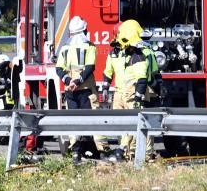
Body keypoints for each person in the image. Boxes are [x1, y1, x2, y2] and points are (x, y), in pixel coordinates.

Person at [55, 16, 105, 163]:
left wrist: (68, 81)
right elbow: (90, 67)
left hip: (70, 91)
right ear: (84, 30)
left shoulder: (64, 48)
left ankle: (76, 151)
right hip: (86, 90)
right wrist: (78, 81)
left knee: (74, 121)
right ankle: (100, 151)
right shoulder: (89, 46)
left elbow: (59, 69)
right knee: (93, 120)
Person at [107, 19, 151, 163]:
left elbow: (143, 77)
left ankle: (132, 153)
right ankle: (128, 153)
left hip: (133, 91)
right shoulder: (127, 53)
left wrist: (138, 97)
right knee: (127, 124)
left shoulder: (137, 55)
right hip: (125, 92)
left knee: (136, 124)